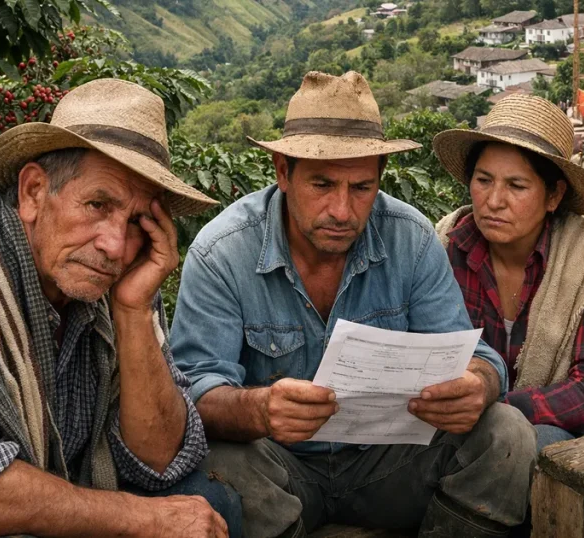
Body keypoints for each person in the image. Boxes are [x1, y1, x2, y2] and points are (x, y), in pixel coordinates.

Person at [170, 71, 536, 538]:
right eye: (322, 185)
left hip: (388, 465)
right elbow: (195, 392)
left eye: (362, 188)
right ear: (283, 171)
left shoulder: (412, 238)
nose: (342, 211)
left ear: (380, 179)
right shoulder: (222, 251)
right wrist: (259, 410)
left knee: (507, 432)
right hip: (281, 471)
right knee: (218, 461)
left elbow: (477, 360)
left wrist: (476, 386)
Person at [0, 78, 240, 537]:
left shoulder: (116, 282)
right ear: (34, 192)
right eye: (97, 204)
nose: (114, 245)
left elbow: (162, 461)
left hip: (59, 503)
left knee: (213, 501)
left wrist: (133, 313)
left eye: (137, 221)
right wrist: (142, 520)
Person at [432, 95, 584, 451]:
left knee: (535, 444)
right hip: (458, 423)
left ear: (554, 195)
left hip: (567, 434)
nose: (494, 200)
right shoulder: (447, 242)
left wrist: (493, 408)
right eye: (483, 180)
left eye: (516, 186)